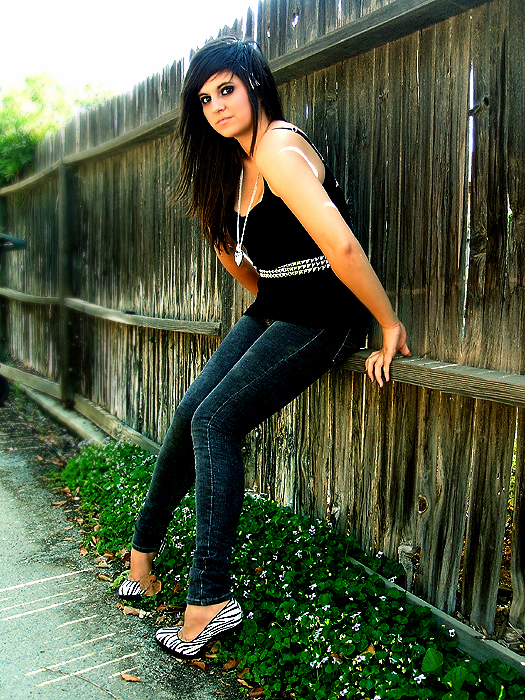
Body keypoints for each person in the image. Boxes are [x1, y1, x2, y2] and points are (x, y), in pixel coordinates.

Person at [118, 37, 411, 659]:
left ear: (254, 83)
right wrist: (265, 288)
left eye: (227, 89)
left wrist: (385, 323)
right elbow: (236, 256)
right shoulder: (233, 162)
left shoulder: (277, 146)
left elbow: (343, 247)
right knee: (188, 413)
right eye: (204, 99)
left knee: (216, 421)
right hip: (278, 303)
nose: (217, 107)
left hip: (325, 312)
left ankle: (210, 600)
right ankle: (142, 560)